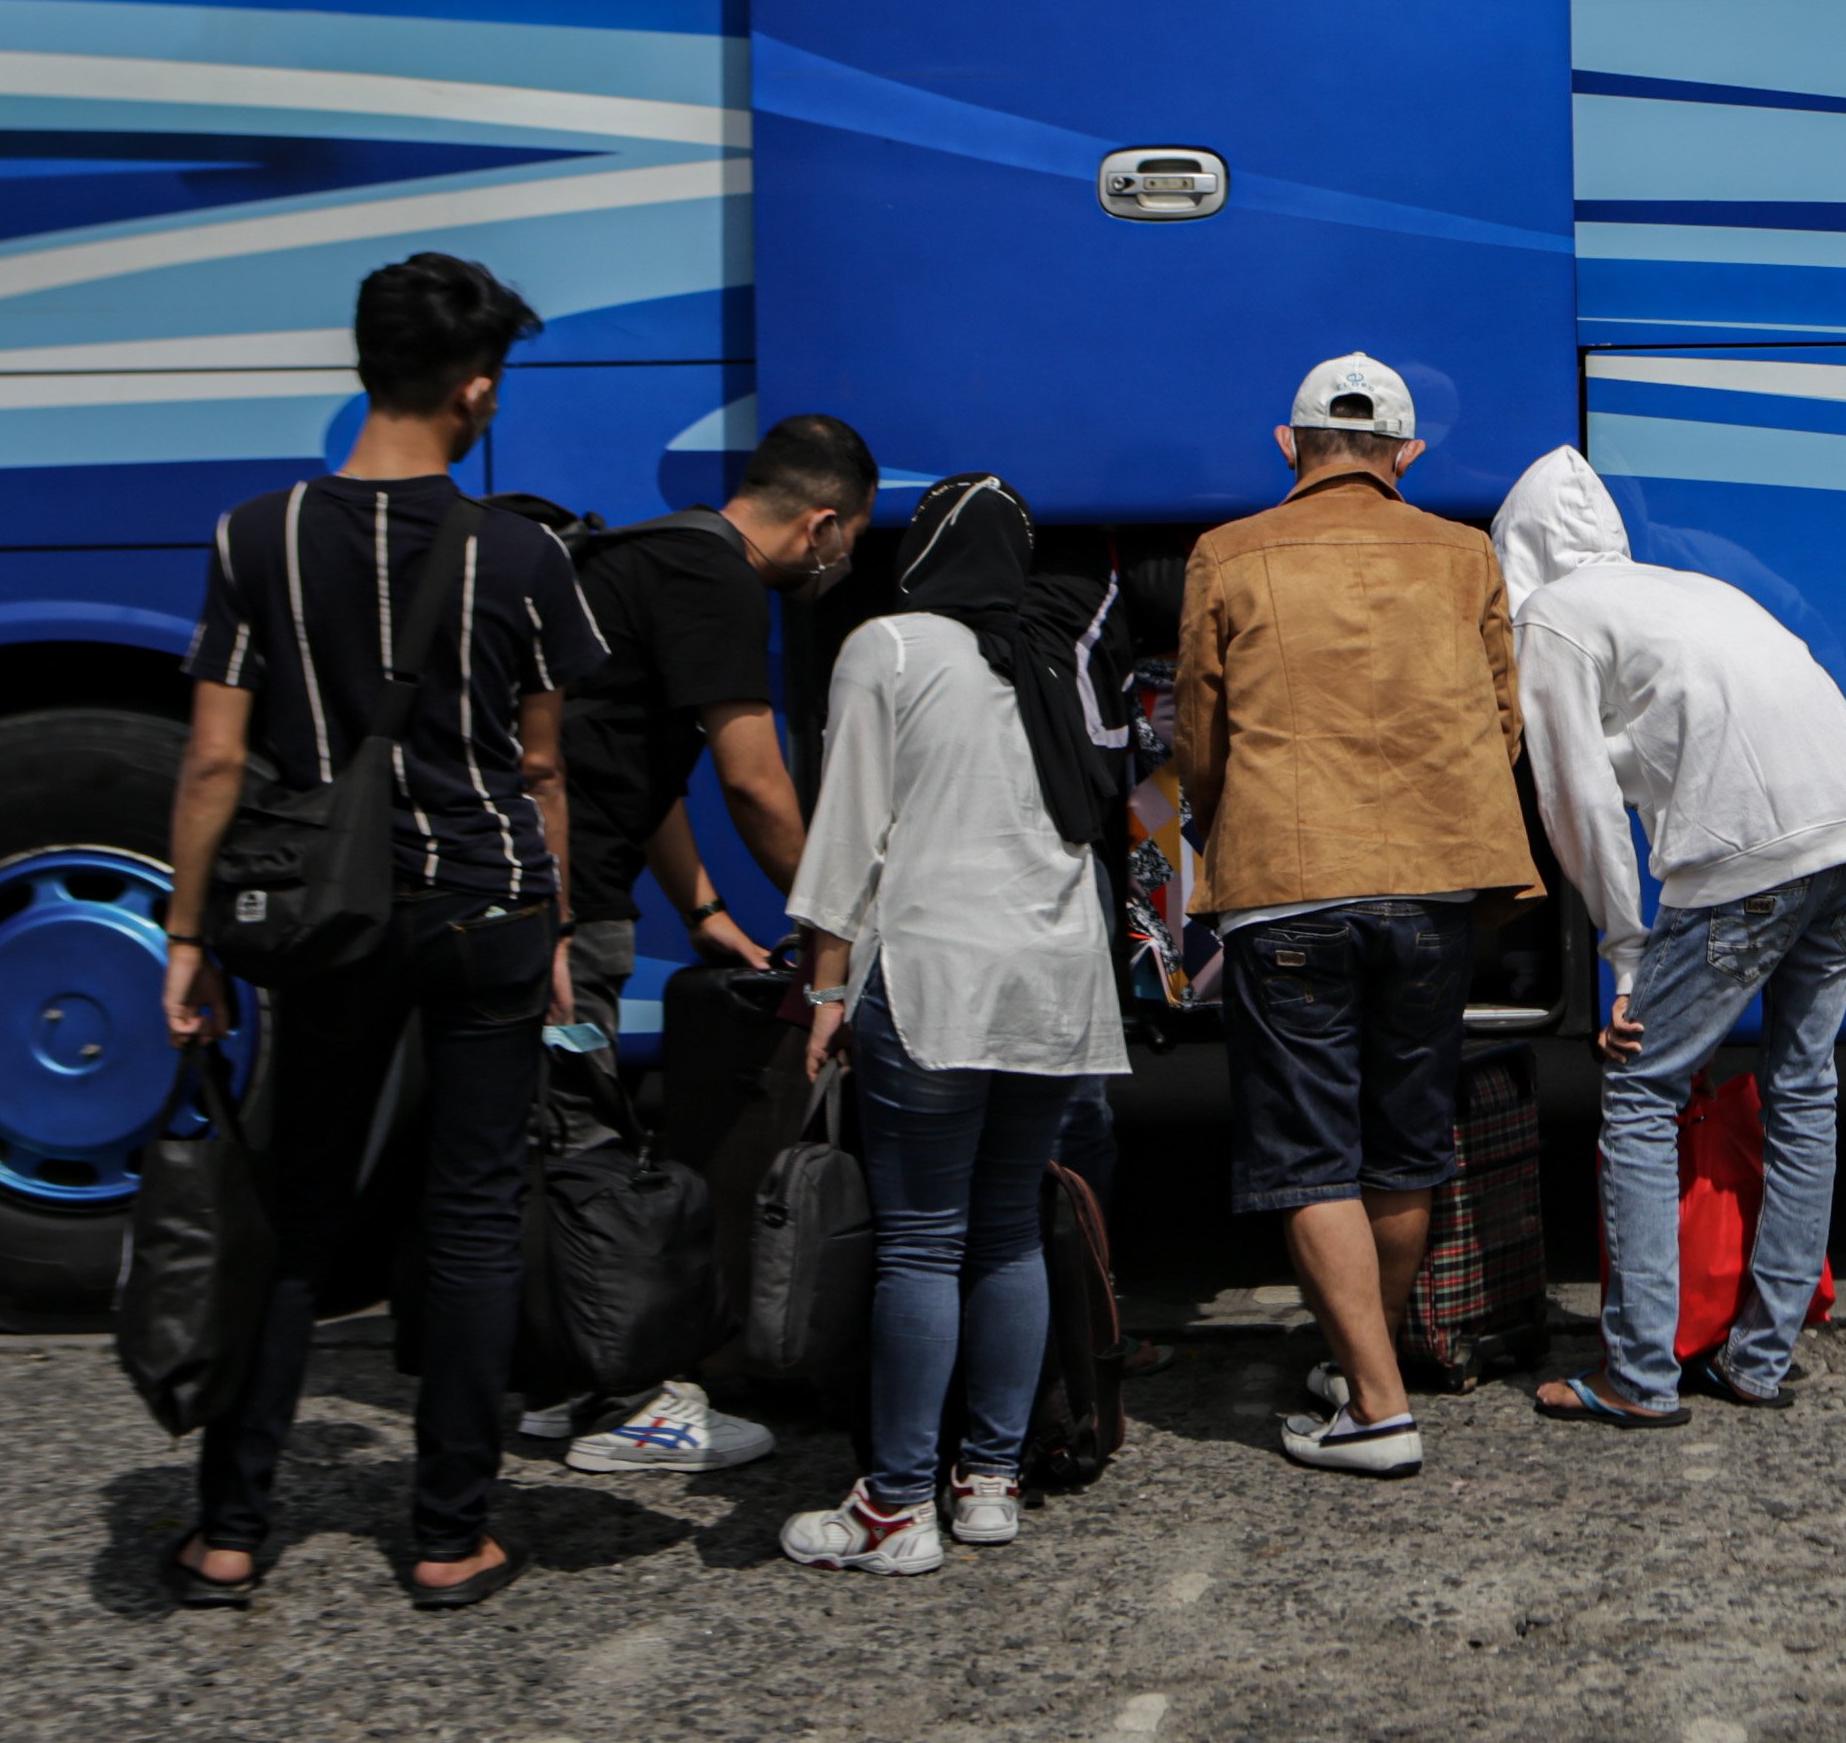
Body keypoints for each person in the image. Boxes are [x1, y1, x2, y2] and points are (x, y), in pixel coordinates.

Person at [157, 253, 608, 1612]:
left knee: (300, 1207)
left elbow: (213, 761)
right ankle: (450, 1534)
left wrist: (188, 935)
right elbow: (542, 768)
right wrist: (558, 926)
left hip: (330, 916)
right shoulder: (521, 554)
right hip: (487, 904)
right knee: (470, 1215)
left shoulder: (256, 537)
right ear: (474, 389)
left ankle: (229, 1531)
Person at [1171, 351, 1541, 1478]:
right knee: (1403, 1143)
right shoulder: (1465, 553)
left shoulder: (1228, 552)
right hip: (1433, 884)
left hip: (1287, 883)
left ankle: (1376, 1408)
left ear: (1289, 445)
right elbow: (1504, 721)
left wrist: (1220, 821)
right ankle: (1358, 1371)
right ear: (1406, 454)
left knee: (1310, 1152)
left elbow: (1200, 734)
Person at [778, 472, 1130, 1575]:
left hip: (935, 974)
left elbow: (849, 831)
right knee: (1009, 1225)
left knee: (923, 1240)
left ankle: (895, 1504)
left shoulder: (886, 646)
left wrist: (825, 990)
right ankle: (988, 1481)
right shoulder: (1045, 656)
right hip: (1055, 982)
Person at [1489, 446, 1846, 1427]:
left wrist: (1625, 954)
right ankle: (1759, 1358)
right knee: (1804, 1089)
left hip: (1746, 860)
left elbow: (1577, 798)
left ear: (1519, 550)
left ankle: (1639, 1374)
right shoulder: (1683, 588)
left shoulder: (1552, 616)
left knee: (1640, 1088)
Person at [529, 409, 879, 1476]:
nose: (842, 562)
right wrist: (838, 922)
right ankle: (631, 1403)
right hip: (566, 908)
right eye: (852, 540)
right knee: (590, 1141)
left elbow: (635, 760)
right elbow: (753, 780)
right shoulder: (718, 578)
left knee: (544, 1137)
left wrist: (701, 908)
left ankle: (567, 1375)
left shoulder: (652, 554)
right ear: (822, 524)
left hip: (555, 891)